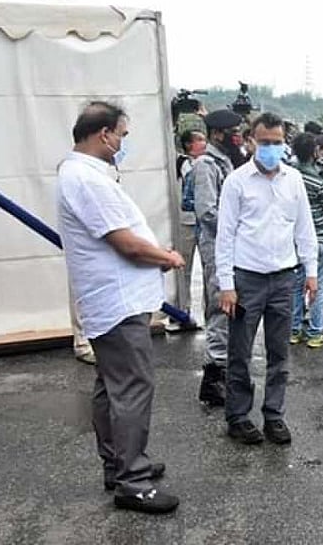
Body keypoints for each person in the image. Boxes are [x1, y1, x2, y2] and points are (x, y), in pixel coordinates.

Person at [56, 102, 183, 514]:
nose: (122, 143)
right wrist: (165, 257)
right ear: (103, 133)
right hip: (117, 301)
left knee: (111, 386)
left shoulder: (84, 174)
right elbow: (124, 243)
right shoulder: (85, 179)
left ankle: (119, 463)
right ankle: (133, 480)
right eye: (122, 136)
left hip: (112, 300)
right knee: (131, 388)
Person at [216, 112, 318, 445]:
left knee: (279, 352)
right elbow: (225, 235)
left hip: (283, 278)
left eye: (277, 142)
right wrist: (227, 286)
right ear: (250, 141)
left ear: (285, 142)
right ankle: (238, 416)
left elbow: (304, 228)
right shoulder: (237, 181)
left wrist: (311, 271)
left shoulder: (294, 180)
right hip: (247, 280)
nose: (271, 148)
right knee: (240, 352)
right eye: (264, 142)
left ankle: (274, 415)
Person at [192, 109, 243, 407]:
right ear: (217, 133)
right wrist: (237, 227)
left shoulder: (230, 161)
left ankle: (226, 372)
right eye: (233, 131)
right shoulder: (206, 166)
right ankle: (214, 376)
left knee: (233, 307)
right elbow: (207, 211)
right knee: (219, 306)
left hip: (235, 245)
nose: (237, 136)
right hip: (217, 245)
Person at [289, 133, 323, 348]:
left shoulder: (289, 177)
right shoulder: (318, 182)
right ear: (314, 152)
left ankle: (294, 330)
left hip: (297, 240)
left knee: (298, 286)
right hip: (321, 238)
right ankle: (316, 332)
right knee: (319, 286)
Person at [167, 129, 206, 333]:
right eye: (199, 140)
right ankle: (182, 312)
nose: (203, 143)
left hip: (205, 221)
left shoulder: (210, 162)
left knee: (210, 269)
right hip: (186, 221)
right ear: (189, 145)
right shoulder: (183, 163)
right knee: (184, 268)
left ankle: (210, 312)